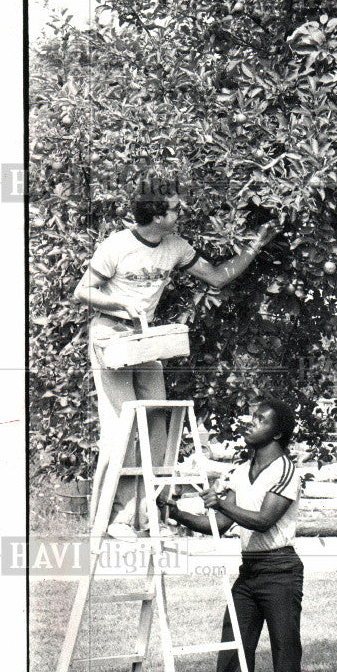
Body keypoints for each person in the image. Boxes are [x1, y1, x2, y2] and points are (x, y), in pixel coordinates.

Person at [72, 173, 280, 538]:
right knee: (122, 428)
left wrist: (255, 247)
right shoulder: (118, 246)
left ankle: (154, 514)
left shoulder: (176, 246)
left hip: (145, 338)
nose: (180, 213)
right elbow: (83, 291)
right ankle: (120, 518)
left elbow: (216, 277)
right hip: (111, 334)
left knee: (159, 423)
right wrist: (120, 300)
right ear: (155, 214)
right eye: (174, 209)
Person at [160, 399, 303, 672]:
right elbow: (222, 527)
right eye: (251, 417)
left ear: (278, 431)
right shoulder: (241, 471)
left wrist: (221, 504)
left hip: (281, 571)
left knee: (285, 659)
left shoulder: (286, 471)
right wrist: (176, 512)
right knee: (233, 652)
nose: (249, 423)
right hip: (250, 572)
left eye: (260, 420)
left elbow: (262, 520)